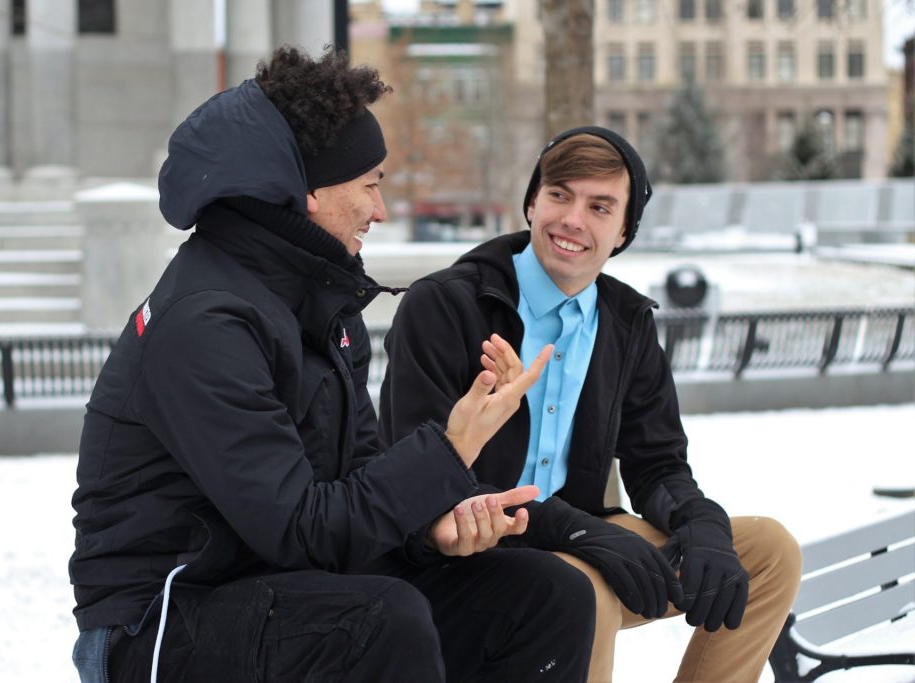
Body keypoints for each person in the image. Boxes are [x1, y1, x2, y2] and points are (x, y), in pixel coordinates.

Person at [69, 47, 598, 683]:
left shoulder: (319, 304)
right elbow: (298, 528)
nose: (381, 209)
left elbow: (353, 483)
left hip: (286, 590)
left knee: (546, 595)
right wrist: (450, 449)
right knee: (379, 619)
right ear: (308, 193)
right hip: (158, 625)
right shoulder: (206, 322)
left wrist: (432, 528)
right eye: (371, 184)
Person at [378, 126, 804, 683]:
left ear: (623, 229)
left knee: (768, 552)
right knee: (583, 591)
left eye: (600, 206)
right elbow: (418, 471)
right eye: (560, 195)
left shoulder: (625, 324)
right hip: (470, 547)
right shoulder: (447, 305)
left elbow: (658, 462)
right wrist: (577, 531)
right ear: (532, 201)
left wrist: (700, 523)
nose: (573, 220)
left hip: (585, 537)